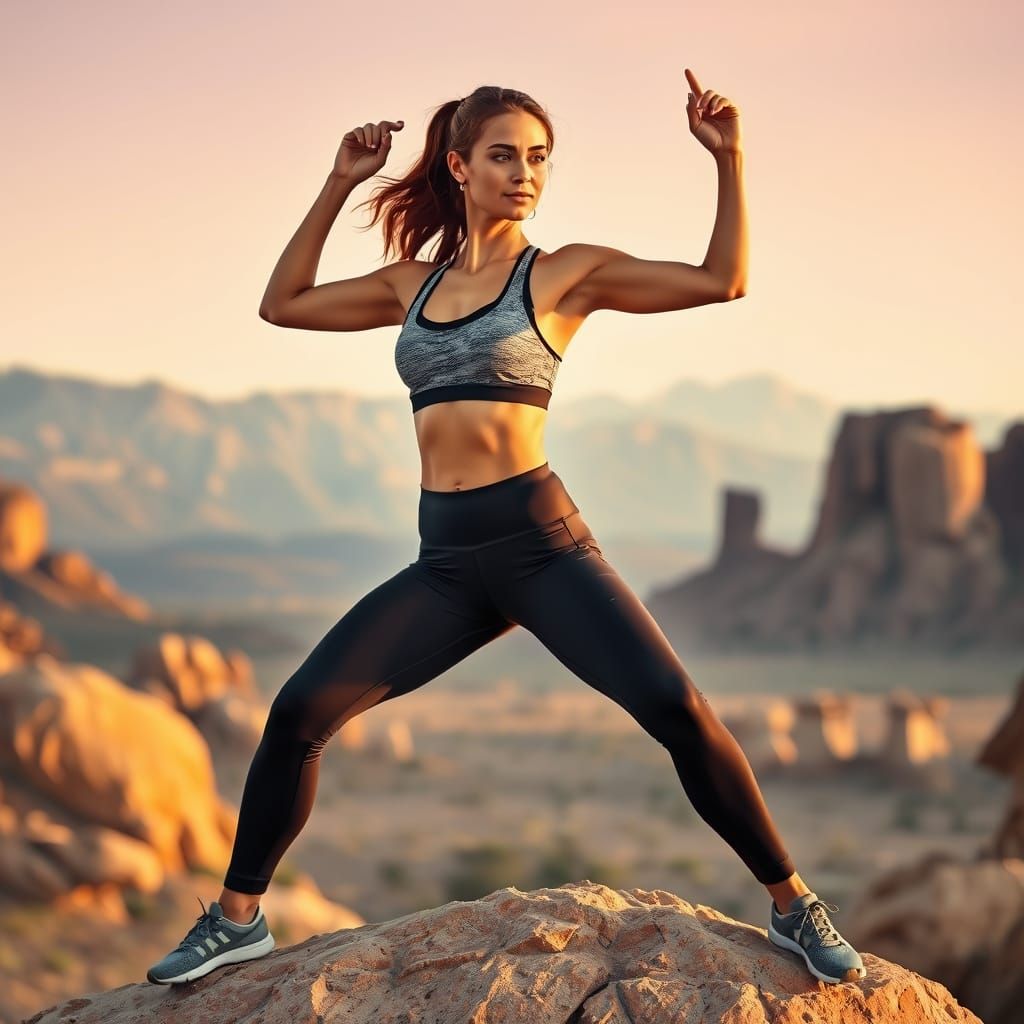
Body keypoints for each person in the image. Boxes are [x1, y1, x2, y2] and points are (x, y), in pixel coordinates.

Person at [147, 70, 866, 987]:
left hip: (541, 546)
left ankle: (794, 904)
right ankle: (237, 919)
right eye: (503, 156)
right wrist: (339, 182)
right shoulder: (409, 284)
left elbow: (723, 281)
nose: (525, 173)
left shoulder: (562, 274)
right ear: (458, 166)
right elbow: (281, 303)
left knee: (678, 710)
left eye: (538, 159)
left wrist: (729, 161)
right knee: (298, 713)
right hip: (445, 563)